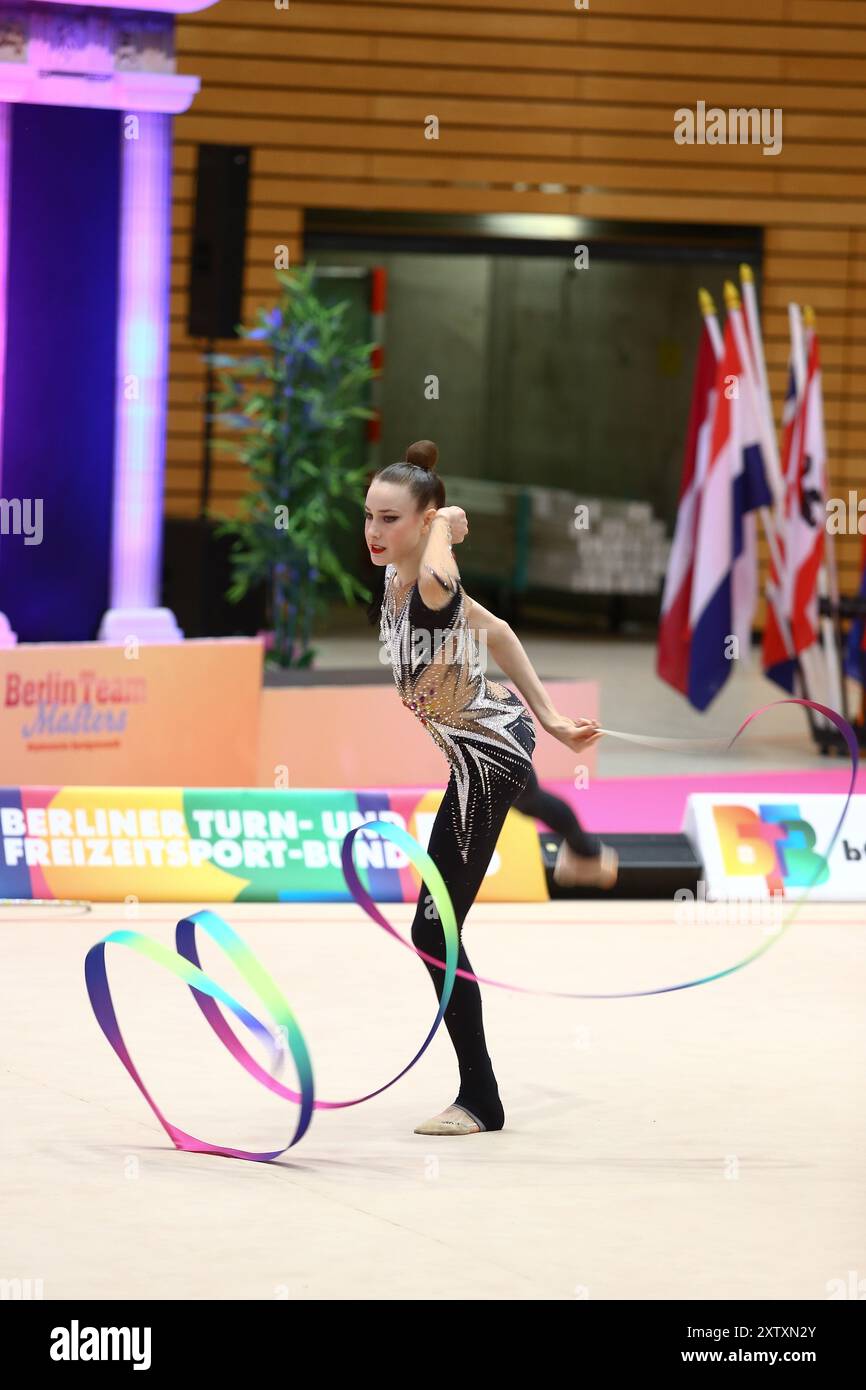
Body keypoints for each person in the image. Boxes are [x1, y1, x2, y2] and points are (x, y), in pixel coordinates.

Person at [365, 439, 616, 1136]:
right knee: (529, 801)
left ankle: (481, 1097)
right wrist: (554, 718)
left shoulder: (433, 585)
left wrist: (443, 522)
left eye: (391, 520)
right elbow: (498, 630)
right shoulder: (401, 576)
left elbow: (449, 580)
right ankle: (586, 850)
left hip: (484, 761)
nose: (374, 533)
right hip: (497, 730)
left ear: (423, 523)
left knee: (432, 930)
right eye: (370, 518)